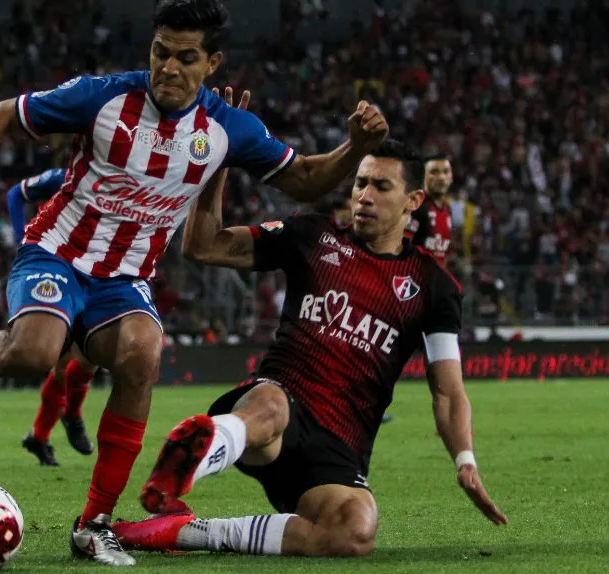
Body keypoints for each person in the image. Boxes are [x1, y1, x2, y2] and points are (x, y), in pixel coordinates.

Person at [0, 0, 388, 565]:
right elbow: (4, 113)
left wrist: (354, 147)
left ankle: (94, 525)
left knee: (143, 353)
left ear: (212, 64)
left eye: (186, 57)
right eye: (161, 52)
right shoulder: (105, 97)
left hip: (124, 278)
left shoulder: (227, 127)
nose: (169, 67)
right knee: (34, 354)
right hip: (57, 253)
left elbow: (304, 180)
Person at [114, 139, 507, 558]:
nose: (365, 196)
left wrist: (465, 460)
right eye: (360, 183)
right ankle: (196, 454)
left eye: (381, 186)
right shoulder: (313, 235)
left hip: (340, 445)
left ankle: (183, 532)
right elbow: (203, 246)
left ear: (414, 200)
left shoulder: (434, 285)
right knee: (270, 407)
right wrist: (219, 162)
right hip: (278, 406)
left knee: (353, 532)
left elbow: (448, 392)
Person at [7, 167, 98, 465]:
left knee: (87, 356)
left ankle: (42, 433)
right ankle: (64, 418)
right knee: (72, 358)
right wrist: (21, 239)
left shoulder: (117, 180)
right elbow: (15, 194)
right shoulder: (63, 177)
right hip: (54, 269)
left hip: (91, 271)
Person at [405, 153, 453, 264]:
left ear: (451, 177)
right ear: (423, 176)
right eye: (434, 172)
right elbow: (403, 247)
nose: (441, 177)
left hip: (436, 273)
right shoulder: (416, 205)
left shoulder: (448, 209)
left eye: (446, 172)